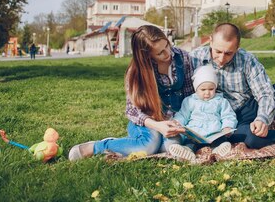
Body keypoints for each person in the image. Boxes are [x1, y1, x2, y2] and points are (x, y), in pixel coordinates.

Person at [69, 25, 194, 161]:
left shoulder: (183, 57)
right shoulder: (136, 73)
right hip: (148, 121)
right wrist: (158, 125)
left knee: (169, 147)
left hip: (177, 120)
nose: (168, 53)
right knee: (149, 146)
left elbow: (189, 96)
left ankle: (127, 145)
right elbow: (132, 111)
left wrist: (179, 121)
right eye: (159, 53)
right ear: (147, 56)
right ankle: (97, 146)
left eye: (167, 46)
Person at [165, 65, 238, 162]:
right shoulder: (190, 100)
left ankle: (218, 150)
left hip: (214, 133)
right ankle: (187, 152)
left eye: (211, 89)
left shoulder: (221, 101)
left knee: (221, 141)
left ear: (215, 88)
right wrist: (177, 122)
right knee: (190, 142)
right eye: (203, 90)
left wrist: (227, 126)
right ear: (196, 89)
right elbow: (183, 115)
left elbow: (228, 115)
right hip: (195, 133)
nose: (207, 93)